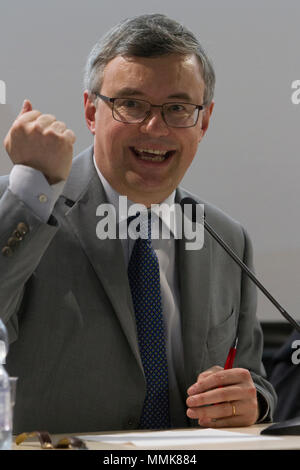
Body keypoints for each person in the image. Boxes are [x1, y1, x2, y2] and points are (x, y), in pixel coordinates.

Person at [0, 13, 276, 434]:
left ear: (203, 121)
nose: (155, 127)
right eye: (131, 104)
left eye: (178, 108)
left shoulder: (227, 238)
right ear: (92, 112)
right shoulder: (24, 207)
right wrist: (34, 190)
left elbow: (253, 377)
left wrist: (251, 401)